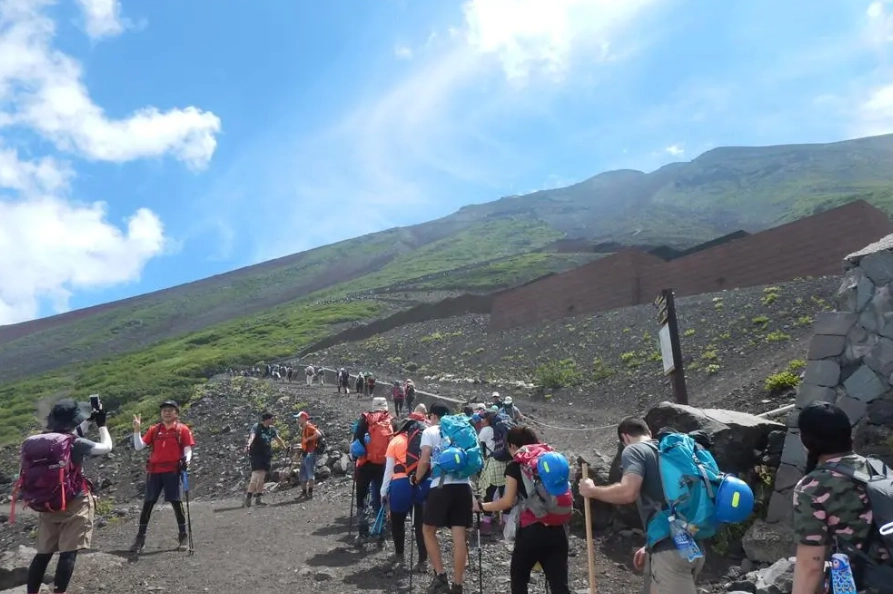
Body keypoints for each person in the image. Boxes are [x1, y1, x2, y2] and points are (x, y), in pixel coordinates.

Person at [578, 416, 704, 594]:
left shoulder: (634, 450)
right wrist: (651, 544)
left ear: (625, 438)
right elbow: (674, 504)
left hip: (670, 552)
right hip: (692, 544)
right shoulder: (669, 453)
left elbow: (628, 492)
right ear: (649, 433)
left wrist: (592, 491)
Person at [791, 402, 891, 594]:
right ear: (848, 435)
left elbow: (810, 566)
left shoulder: (812, 486)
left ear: (806, 440)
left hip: (863, 584)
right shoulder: (878, 468)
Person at [20, 399, 113, 594]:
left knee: (43, 554)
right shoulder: (76, 443)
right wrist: (102, 425)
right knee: (68, 552)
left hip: (45, 503)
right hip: (74, 502)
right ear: (73, 420)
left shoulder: (37, 442)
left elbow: (68, 438)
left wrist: (87, 422)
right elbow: (106, 447)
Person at [474, 426, 571, 594]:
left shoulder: (515, 466)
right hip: (558, 528)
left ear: (512, 446)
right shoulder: (551, 460)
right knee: (559, 584)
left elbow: (506, 501)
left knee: (519, 580)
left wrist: (482, 506)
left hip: (531, 531)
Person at [414, 403, 473, 594]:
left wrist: (415, 479)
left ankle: (440, 575)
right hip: (464, 486)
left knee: (428, 530)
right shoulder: (463, 430)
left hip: (440, 486)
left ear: (433, 416)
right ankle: (458, 585)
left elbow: (424, 460)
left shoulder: (430, 431)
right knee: (459, 537)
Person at [131, 400, 196, 553]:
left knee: (176, 502)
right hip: (154, 472)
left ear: (176, 413)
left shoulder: (182, 429)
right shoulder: (154, 430)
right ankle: (140, 538)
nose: (167, 412)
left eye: (170, 410)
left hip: (173, 471)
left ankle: (183, 536)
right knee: (148, 503)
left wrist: (186, 462)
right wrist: (136, 430)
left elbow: (187, 449)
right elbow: (139, 446)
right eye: (164, 410)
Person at [381, 416, 428, 571]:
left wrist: (383, 492)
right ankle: (422, 561)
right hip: (419, 482)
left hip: (400, 484)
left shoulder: (395, 441)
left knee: (398, 522)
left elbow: (388, 470)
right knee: (420, 524)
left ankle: (400, 554)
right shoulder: (423, 439)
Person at [353, 397, 393, 543]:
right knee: (380, 498)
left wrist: (355, 457)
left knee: (362, 498)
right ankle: (380, 533)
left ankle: (363, 534)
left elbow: (356, 442)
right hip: (384, 465)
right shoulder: (391, 421)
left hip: (366, 464)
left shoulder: (365, 419)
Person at [244, 412, 287, 507]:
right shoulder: (257, 427)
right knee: (255, 476)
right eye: (272, 418)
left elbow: (278, 439)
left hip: (266, 456)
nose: (273, 420)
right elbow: (252, 436)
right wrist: (249, 444)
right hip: (256, 455)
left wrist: (284, 447)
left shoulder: (271, 430)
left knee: (262, 478)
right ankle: (248, 498)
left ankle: (258, 498)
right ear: (267, 419)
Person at [477, 411, 508, 535]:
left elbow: (480, 447)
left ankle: (486, 522)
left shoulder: (485, 431)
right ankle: (505, 523)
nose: (482, 421)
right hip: (506, 462)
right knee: (505, 493)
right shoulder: (503, 429)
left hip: (493, 462)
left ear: (488, 419)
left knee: (489, 492)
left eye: (484, 418)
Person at [296, 411, 322, 499]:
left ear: (303, 418)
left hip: (310, 452)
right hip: (305, 452)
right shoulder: (304, 428)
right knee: (302, 473)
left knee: (309, 473)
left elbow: (318, 434)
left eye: (299, 418)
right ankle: (304, 492)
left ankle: (310, 493)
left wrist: (308, 439)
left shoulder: (309, 427)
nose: (297, 420)